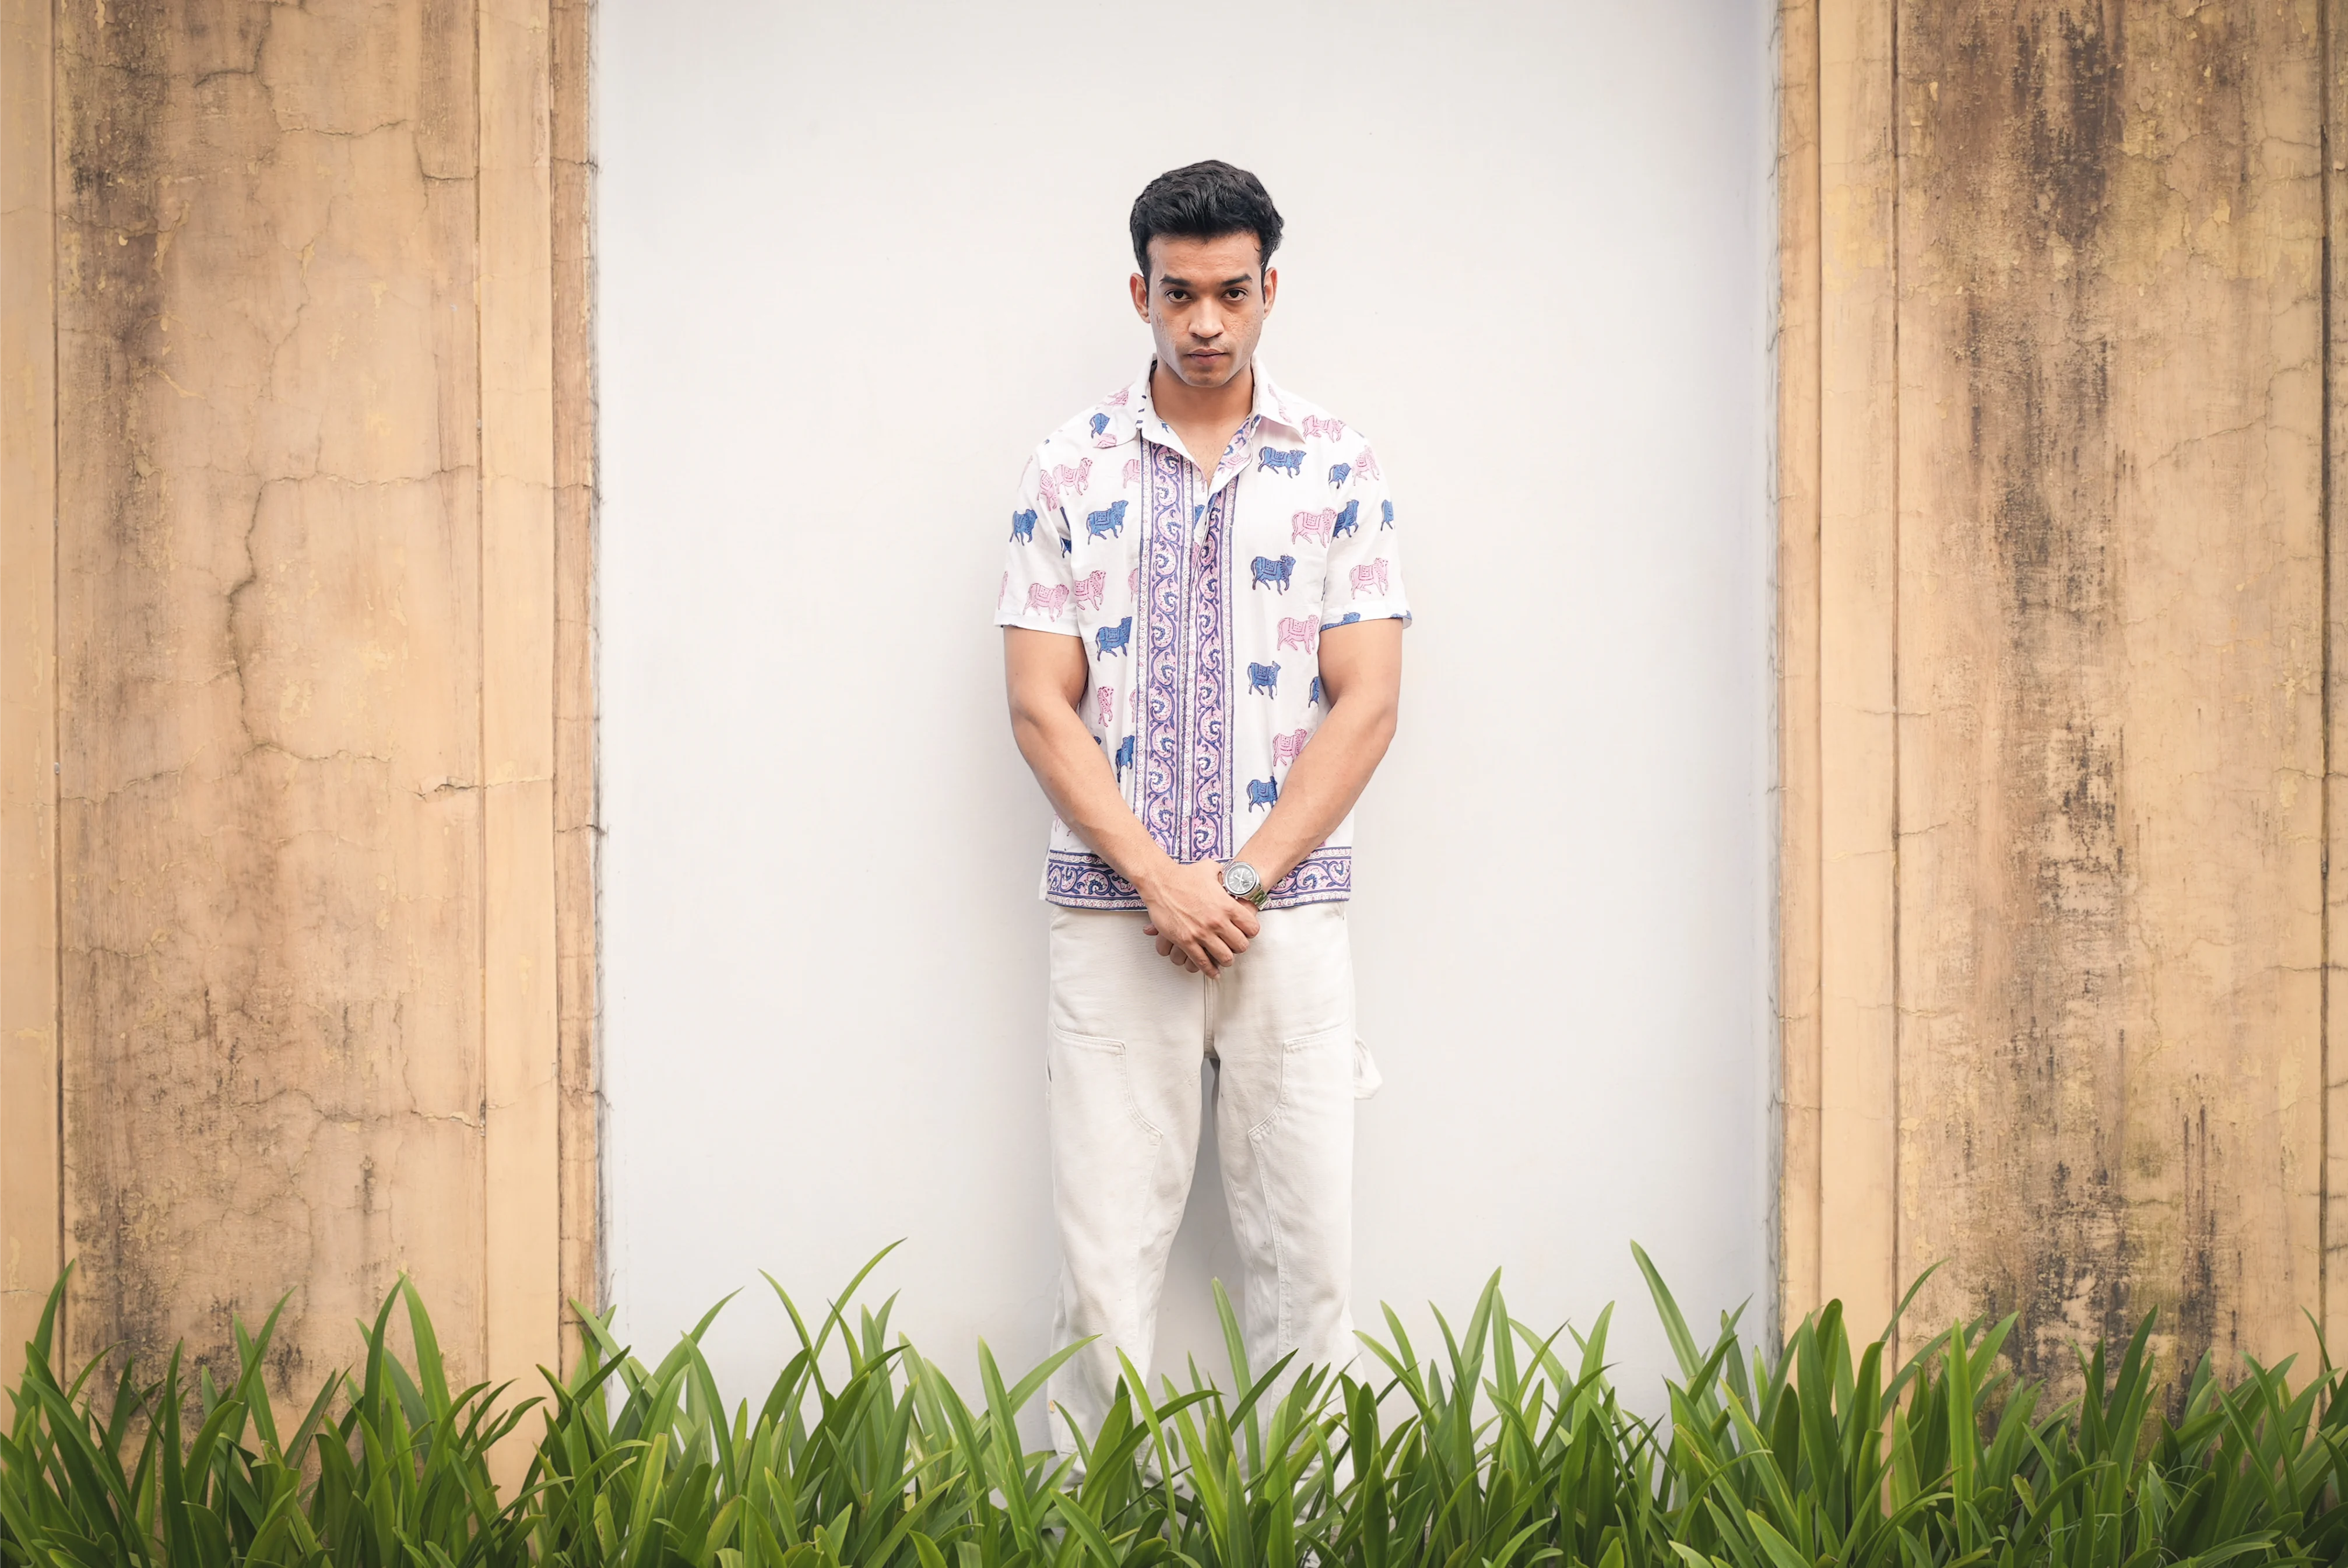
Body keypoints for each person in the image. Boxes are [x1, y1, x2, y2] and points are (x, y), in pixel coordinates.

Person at [996, 160, 1411, 1451]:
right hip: (1112, 924)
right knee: (1101, 1275)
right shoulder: (1068, 466)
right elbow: (1036, 703)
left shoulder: (1338, 466)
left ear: (1270, 290)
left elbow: (1369, 701)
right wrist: (1157, 882)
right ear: (1141, 293)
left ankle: (1303, 1530)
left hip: (1284, 924)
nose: (1207, 322)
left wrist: (1232, 883)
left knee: (1308, 1265)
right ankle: (1087, 1533)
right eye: (1180, 294)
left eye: (1233, 292)